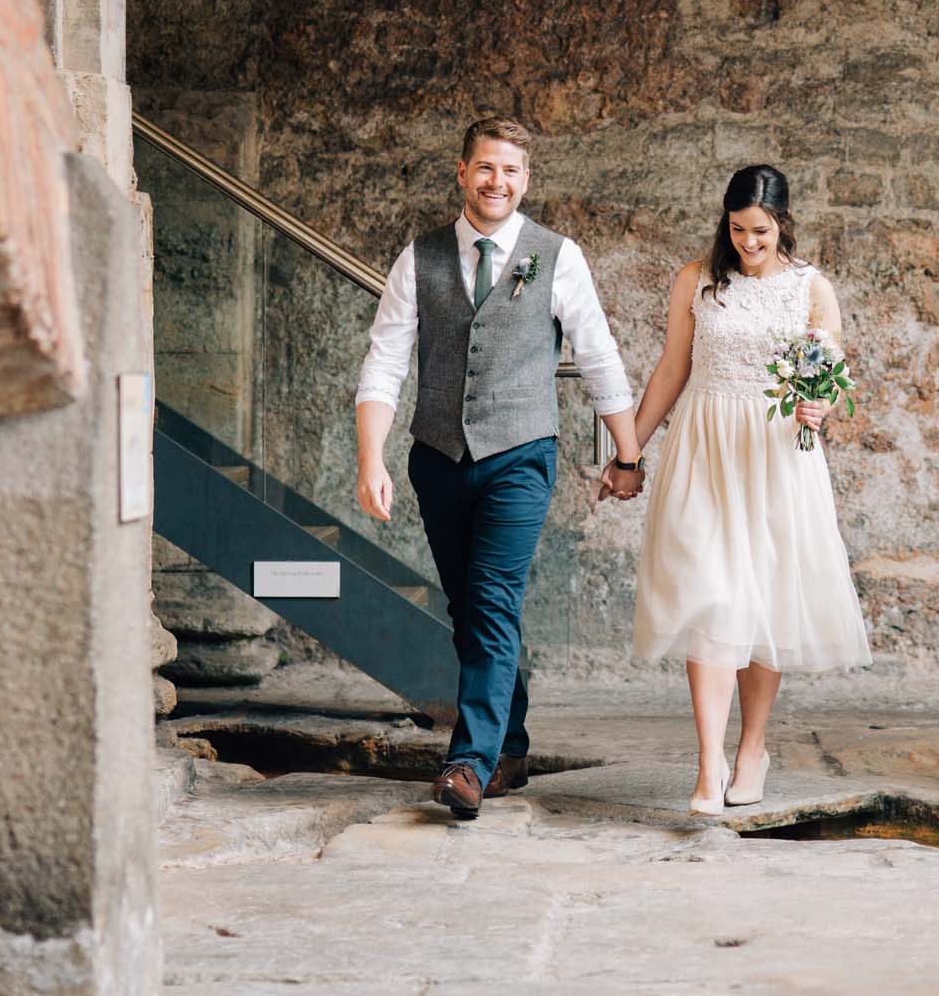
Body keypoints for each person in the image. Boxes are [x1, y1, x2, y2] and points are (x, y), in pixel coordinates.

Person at [353, 117, 648, 820]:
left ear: (526, 179)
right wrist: (372, 457)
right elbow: (386, 360)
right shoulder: (418, 258)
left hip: (520, 456)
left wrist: (627, 450)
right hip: (438, 459)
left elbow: (599, 352)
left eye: (510, 170)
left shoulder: (557, 256)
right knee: (471, 608)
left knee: (489, 600)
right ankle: (510, 742)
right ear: (462, 173)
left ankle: (470, 761)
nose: (497, 182)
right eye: (485, 168)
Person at [621, 164, 873, 815]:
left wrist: (821, 406)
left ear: (782, 223)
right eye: (737, 229)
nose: (747, 242)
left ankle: (752, 747)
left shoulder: (811, 288)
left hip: (774, 456)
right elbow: (673, 368)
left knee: (764, 600)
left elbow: (831, 377)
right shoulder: (696, 279)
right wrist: (629, 449)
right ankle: (708, 767)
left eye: (760, 230)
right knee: (707, 595)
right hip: (704, 446)